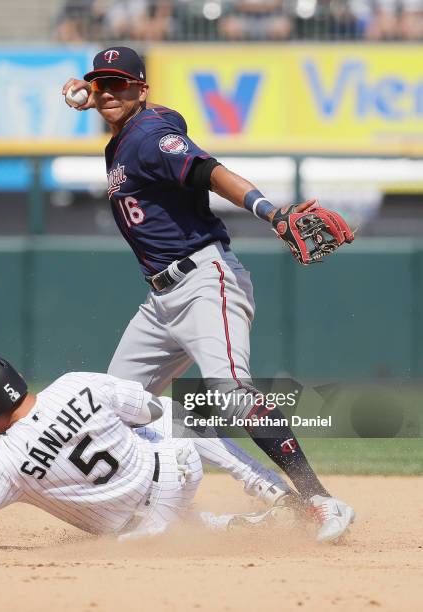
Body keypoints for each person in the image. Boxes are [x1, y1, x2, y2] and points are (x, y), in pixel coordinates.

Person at [61, 47, 355, 543]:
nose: (110, 91)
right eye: (100, 85)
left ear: (143, 89)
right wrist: (91, 99)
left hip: (203, 281)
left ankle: (317, 500)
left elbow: (208, 171)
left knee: (230, 396)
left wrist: (271, 211)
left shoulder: (152, 136)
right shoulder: (130, 134)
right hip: (160, 303)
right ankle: (178, 510)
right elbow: (133, 110)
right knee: (108, 411)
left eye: (121, 84)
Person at [0, 355, 284, 545]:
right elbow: (150, 411)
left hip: (137, 531)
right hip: (178, 473)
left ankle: (232, 515)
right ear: (16, 379)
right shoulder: (75, 384)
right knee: (167, 410)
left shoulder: (1, 461)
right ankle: (266, 489)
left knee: (134, 509)